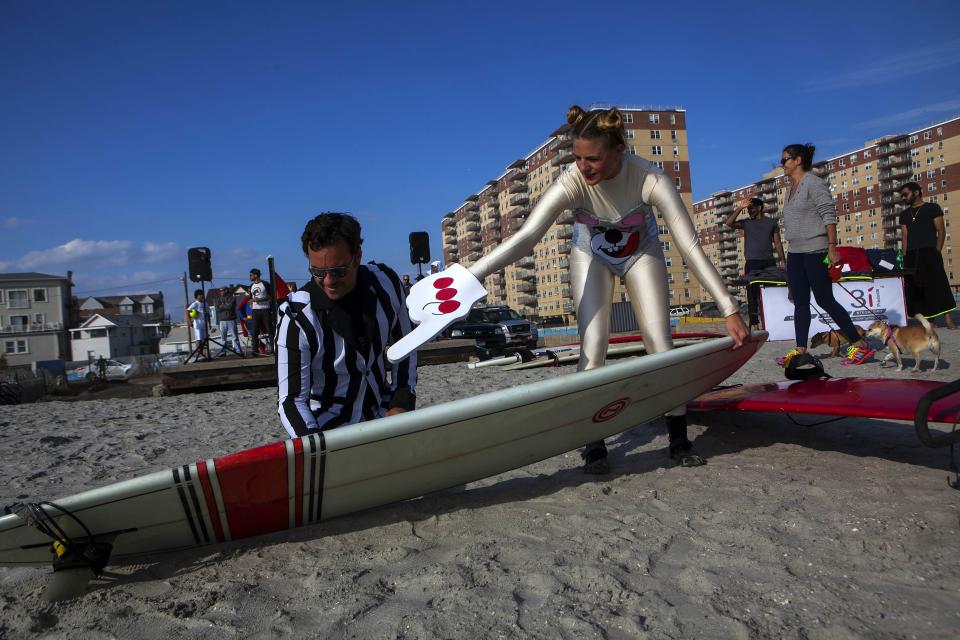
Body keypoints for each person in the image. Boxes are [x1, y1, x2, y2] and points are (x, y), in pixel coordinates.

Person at [407, 105, 748, 472]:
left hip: (642, 253)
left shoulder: (649, 178)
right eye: (577, 157)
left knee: (659, 343)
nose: (583, 168)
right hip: (590, 255)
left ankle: (678, 440)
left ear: (619, 150)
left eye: (594, 159)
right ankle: (594, 442)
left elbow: (689, 245)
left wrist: (728, 308)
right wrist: (469, 275)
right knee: (593, 347)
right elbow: (526, 238)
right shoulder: (571, 180)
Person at [276, 212, 417, 437]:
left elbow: (407, 347)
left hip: (384, 417)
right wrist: (317, 448)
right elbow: (291, 400)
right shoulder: (296, 316)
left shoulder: (387, 283)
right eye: (318, 272)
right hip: (327, 428)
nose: (329, 282)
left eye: (338, 271)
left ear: (357, 256)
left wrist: (401, 403)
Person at [776, 143, 874, 367]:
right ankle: (800, 350)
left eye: (784, 160)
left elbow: (829, 215)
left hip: (816, 250)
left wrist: (832, 248)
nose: (782, 165)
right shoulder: (790, 188)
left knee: (824, 299)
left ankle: (859, 344)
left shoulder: (814, 183)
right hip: (796, 252)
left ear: (798, 160)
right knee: (800, 302)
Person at [898, 182, 957, 329]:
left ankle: (948, 319)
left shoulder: (932, 208)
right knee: (918, 288)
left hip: (930, 252)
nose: (903, 197)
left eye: (906, 194)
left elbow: (941, 231)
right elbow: (905, 237)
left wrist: (936, 251)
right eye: (902, 195)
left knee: (939, 285)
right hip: (911, 255)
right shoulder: (904, 214)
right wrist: (904, 256)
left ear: (917, 192)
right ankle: (930, 321)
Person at [724, 196, 786, 330]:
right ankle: (755, 323)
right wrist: (741, 207)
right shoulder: (746, 223)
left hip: (769, 262)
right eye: (748, 208)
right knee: (752, 294)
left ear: (760, 208)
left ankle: (773, 319)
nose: (749, 210)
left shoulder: (771, 223)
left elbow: (777, 243)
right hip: (752, 263)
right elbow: (728, 223)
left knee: (772, 291)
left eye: (751, 207)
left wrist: (783, 261)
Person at [249, 268, 273, 355]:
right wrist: (251, 303)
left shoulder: (265, 284)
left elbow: (271, 296)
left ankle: (273, 349)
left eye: (251, 275)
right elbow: (250, 298)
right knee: (254, 331)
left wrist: (259, 299)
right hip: (255, 311)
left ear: (256, 275)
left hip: (265, 309)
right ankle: (254, 350)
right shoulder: (251, 286)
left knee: (270, 330)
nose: (250, 277)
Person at [215, 286, 243, 357]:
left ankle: (238, 350)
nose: (221, 292)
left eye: (222, 290)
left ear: (226, 291)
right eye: (220, 291)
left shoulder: (232, 298)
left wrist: (222, 306)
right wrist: (225, 306)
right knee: (223, 337)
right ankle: (223, 351)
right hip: (222, 321)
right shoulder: (218, 299)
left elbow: (230, 307)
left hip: (231, 320)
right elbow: (217, 309)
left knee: (234, 336)